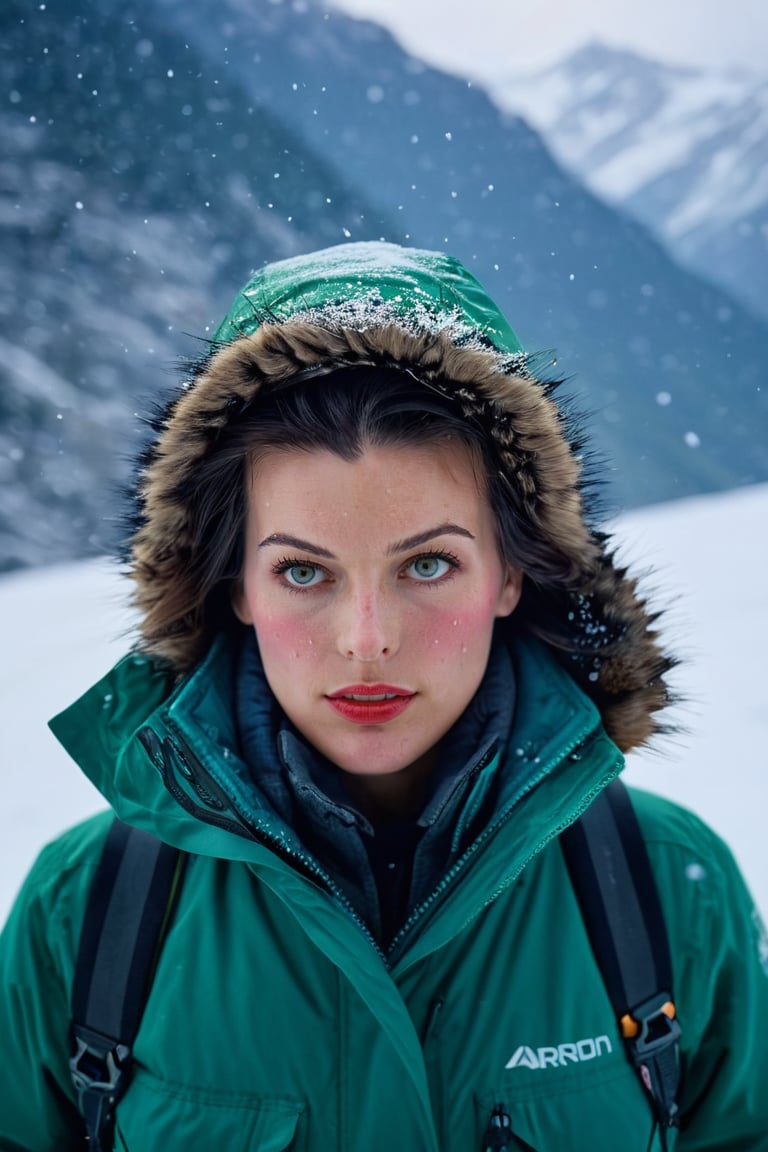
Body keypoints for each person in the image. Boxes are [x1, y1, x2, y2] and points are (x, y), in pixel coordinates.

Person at [1, 241, 767, 1152]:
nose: (367, 636)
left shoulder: (668, 894)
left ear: (513, 573)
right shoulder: (89, 907)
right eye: (301, 571)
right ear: (235, 587)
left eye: (429, 562)